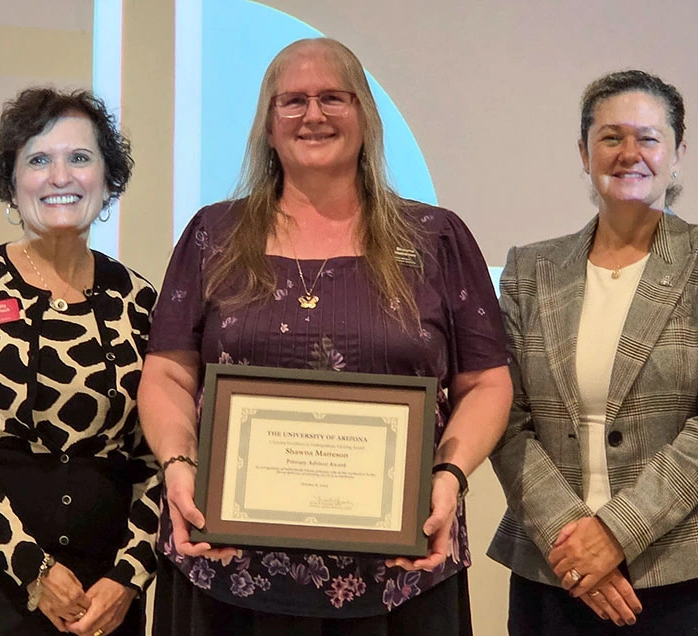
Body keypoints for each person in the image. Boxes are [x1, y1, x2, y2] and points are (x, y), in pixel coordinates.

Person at [137, 38, 512, 635]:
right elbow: (168, 375)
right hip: (229, 568)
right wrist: (179, 465)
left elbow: (487, 381)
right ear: (268, 123)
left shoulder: (435, 238)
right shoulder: (214, 234)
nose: (314, 115)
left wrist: (451, 476)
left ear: (365, 115)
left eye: (334, 97)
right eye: (293, 101)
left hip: (402, 569)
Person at [488, 69, 698, 635]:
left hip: (696, 572)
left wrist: (615, 534)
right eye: (611, 137)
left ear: (677, 153)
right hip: (557, 567)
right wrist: (573, 538)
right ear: (584, 151)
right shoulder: (531, 269)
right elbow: (505, 418)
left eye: (648, 137)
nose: (630, 153)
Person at [0, 87, 159, 636]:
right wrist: (33, 567)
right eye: (38, 160)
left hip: (105, 589)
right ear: (12, 182)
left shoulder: (140, 300)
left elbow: (157, 458)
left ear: (107, 177)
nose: (60, 177)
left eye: (79, 157)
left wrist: (130, 576)